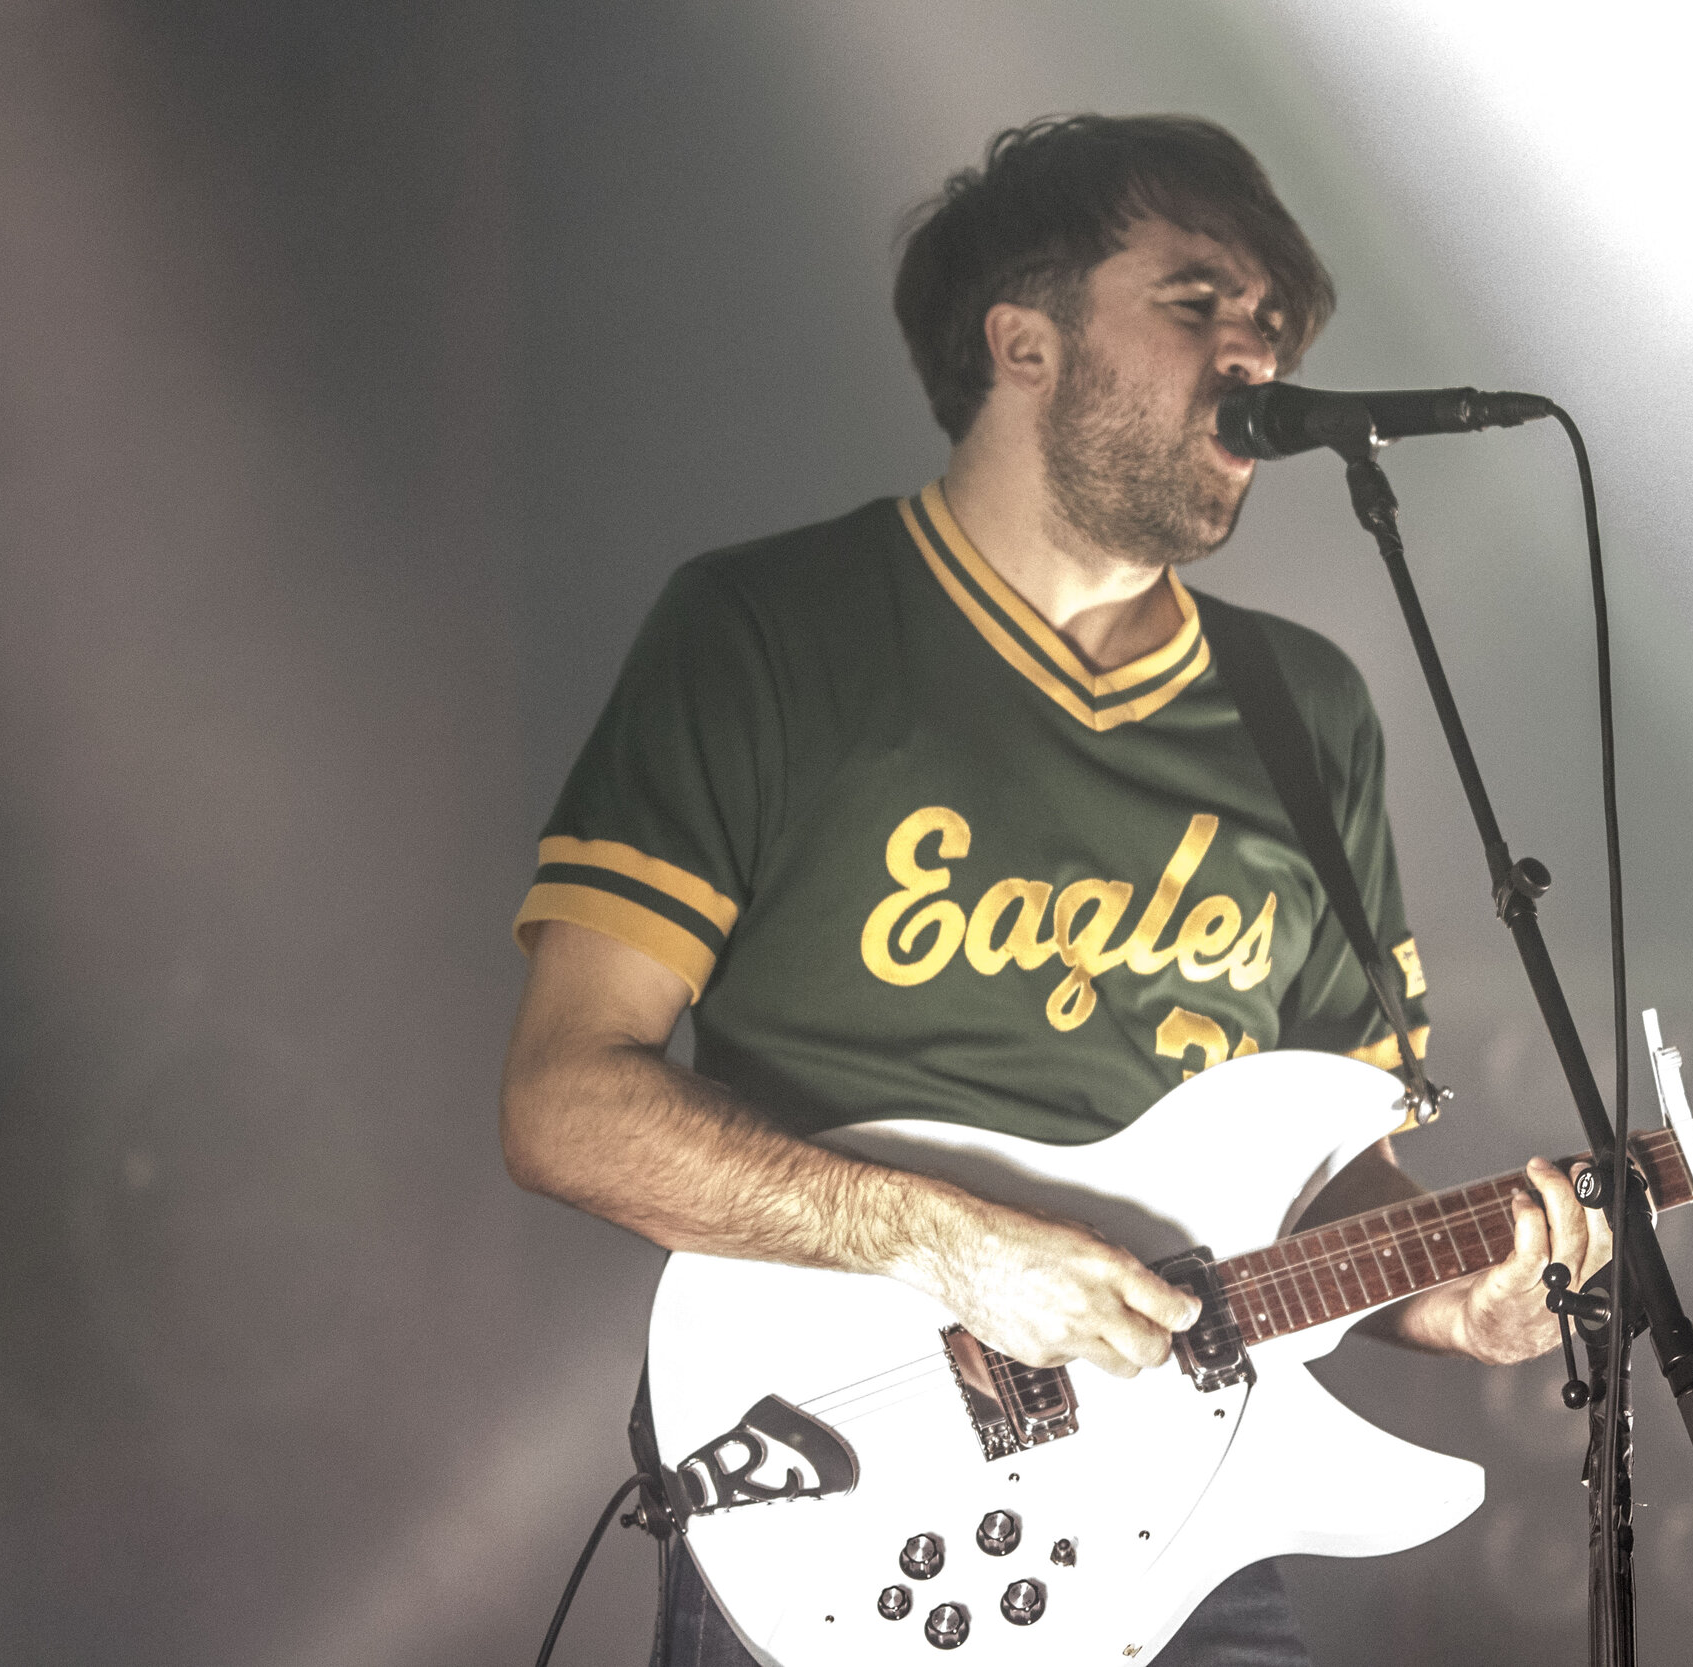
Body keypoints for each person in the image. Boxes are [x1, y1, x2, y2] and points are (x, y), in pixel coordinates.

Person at [500, 114, 1609, 1667]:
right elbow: (565, 1104)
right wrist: (952, 1243)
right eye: (1196, 300)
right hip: (856, 1477)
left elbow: (1328, 1174)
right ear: (1022, 340)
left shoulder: (1305, 710)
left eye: (1274, 327)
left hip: (1188, 1498)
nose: (1256, 354)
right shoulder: (769, 628)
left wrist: (1451, 1297)